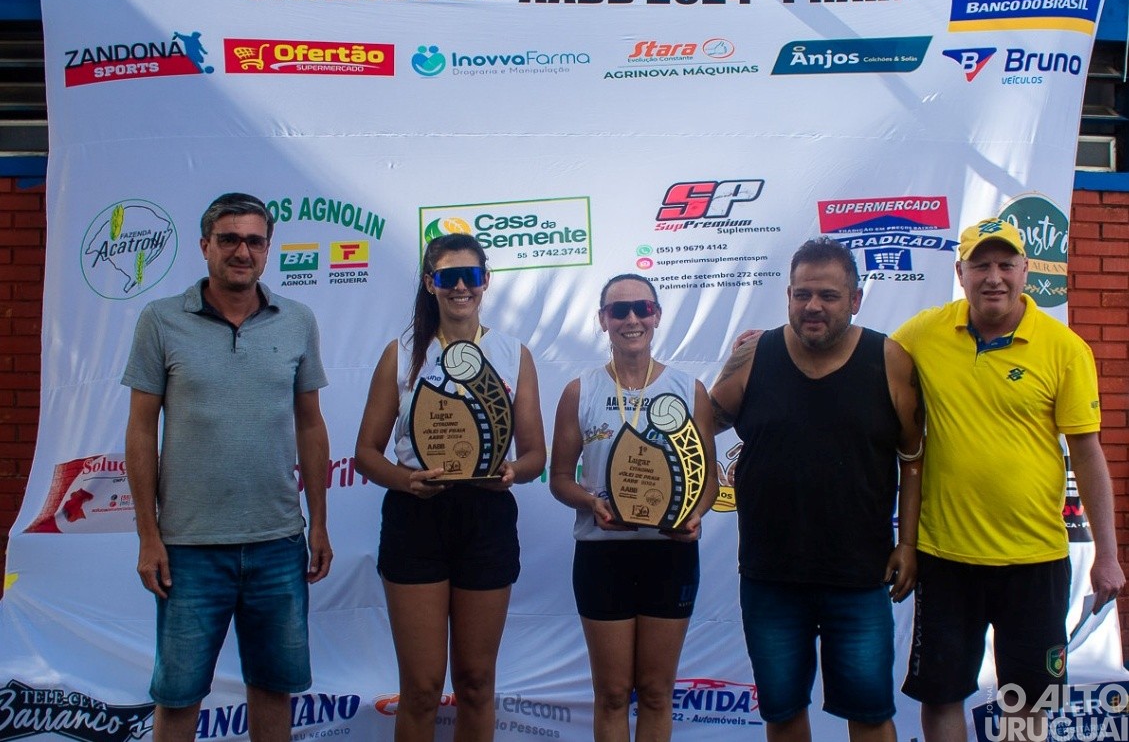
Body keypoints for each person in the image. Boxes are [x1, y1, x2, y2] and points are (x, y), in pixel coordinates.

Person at [893, 218, 1125, 742]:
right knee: (942, 693)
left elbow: (1087, 455)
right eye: (980, 265)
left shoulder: (1064, 348)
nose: (993, 277)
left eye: (1005, 265)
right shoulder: (923, 334)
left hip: (1036, 561)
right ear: (960, 273)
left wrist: (1107, 556)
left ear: (1025, 272)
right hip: (946, 557)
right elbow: (860, 361)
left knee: (1027, 703)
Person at [123, 192, 331, 742]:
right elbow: (141, 430)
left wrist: (320, 525)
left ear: (268, 250)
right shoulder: (161, 320)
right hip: (188, 551)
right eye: (230, 239)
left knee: (273, 691)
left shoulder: (298, 321)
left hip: (278, 543)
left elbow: (311, 426)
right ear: (205, 246)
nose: (243, 251)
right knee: (178, 695)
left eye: (255, 241)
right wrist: (149, 535)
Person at [709, 237, 923, 742]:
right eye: (803, 294)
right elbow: (703, 422)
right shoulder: (754, 356)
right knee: (781, 713)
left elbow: (914, 459)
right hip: (770, 575)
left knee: (870, 716)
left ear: (855, 299)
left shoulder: (889, 359)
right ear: (787, 295)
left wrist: (909, 543)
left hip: (859, 575)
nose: (813, 306)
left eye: (828, 295)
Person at [354, 233, 546, 741]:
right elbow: (366, 453)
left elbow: (535, 456)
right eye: (447, 276)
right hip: (416, 514)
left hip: (485, 515)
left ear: (485, 282)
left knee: (477, 682)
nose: (460, 286)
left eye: (470, 276)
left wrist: (512, 472)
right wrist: (406, 480)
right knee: (420, 687)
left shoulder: (513, 354)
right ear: (429, 283)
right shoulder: (401, 354)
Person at [549, 273, 718, 742]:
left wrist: (696, 515)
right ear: (603, 320)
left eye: (642, 308)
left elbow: (708, 479)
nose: (631, 319)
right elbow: (560, 479)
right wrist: (589, 501)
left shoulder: (689, 389)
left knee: (657, 692)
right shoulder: (578, 392)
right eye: (619, 310)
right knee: (612, 693)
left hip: (670, 553)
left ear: (656, 316)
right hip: (604, 555)